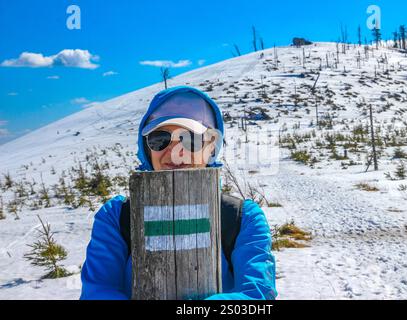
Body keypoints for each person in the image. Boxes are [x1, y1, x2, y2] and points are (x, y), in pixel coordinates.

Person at [80, 86, 277, 300]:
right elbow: (97, 292)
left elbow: (257, 295)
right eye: (159, 139)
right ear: (146, 148)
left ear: (211, 146)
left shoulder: (241, 218)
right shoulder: (116, 216)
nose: (175, 152)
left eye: (191, 139)